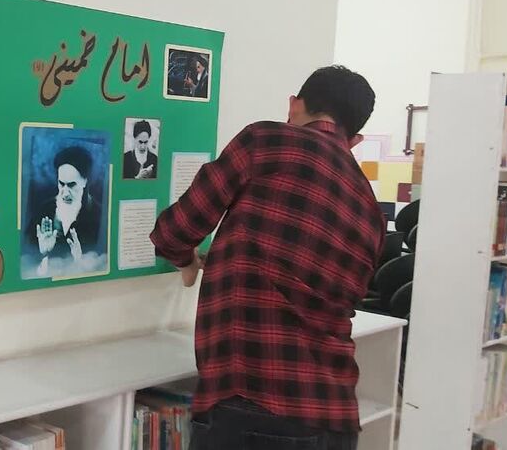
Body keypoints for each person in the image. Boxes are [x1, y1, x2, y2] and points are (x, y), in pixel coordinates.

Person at [150, 65, 384, 450]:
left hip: (253, 402)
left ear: (294, 106)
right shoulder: (370, 208)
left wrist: (186, 262)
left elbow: (175, 231)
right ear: (355, 139)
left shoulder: (266, 140)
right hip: (336, 417)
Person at [28, 146, 102, 276]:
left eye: (72, 185)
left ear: (85, 182)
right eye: (61, 184)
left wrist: (80, 261)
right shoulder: (44, 211)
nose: (65, 193)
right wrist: (44, 253)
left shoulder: (99, 215)